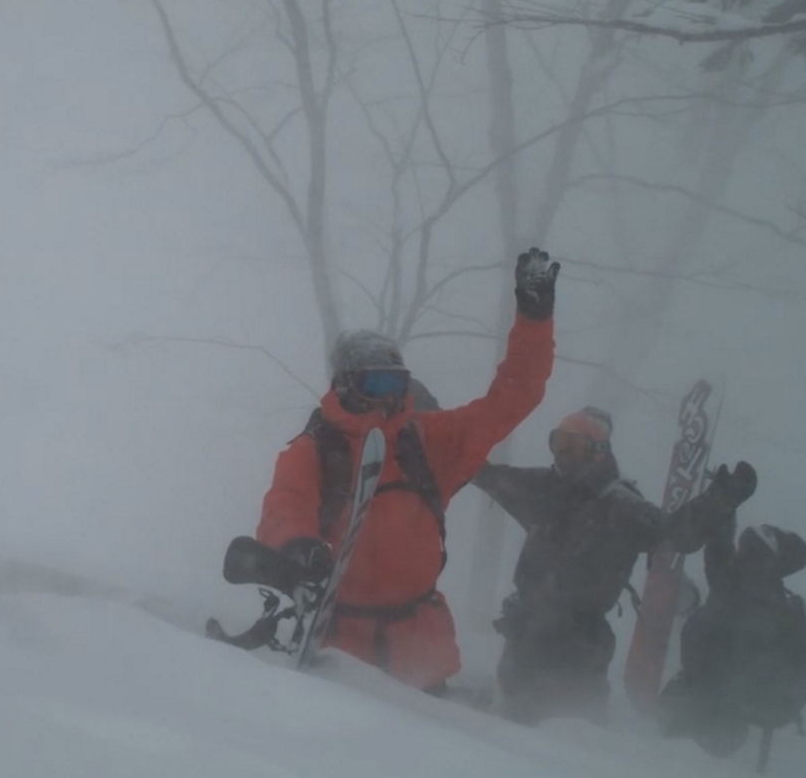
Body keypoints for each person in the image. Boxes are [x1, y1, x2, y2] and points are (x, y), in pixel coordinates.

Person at [254, 248, 558, 692]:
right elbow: (285, 506)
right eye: (375, 384)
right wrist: (297, 547)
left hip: (420, 651)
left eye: (396, 384)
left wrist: (533, 321)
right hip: (339, 648)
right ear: (346, 385)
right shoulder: (315, 451)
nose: (387, 398)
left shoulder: (429, 442)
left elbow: (511, 398)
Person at [472, 409, 757, 724]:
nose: (565, 455)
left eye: (576, 446)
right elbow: (486, 475)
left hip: (577, 645)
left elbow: (674, 532)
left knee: (568, 734)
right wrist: (433, 435)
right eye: (559, 443)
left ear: (599, 453)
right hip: (526, 633)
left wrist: (717, 502)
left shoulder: (620, 505)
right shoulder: (544, 487)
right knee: (507, 728)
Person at [660, 518, 806, 756]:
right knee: (662, 748)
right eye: (742, 548)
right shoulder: (735, 584)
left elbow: (762, 667)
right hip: (697, 693)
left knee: (689, 761)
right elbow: (718, 553)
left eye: (749, 551)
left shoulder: (769, 606)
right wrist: (726, 509)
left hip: (722, 711)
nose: (740, 556)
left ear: (764, 561)